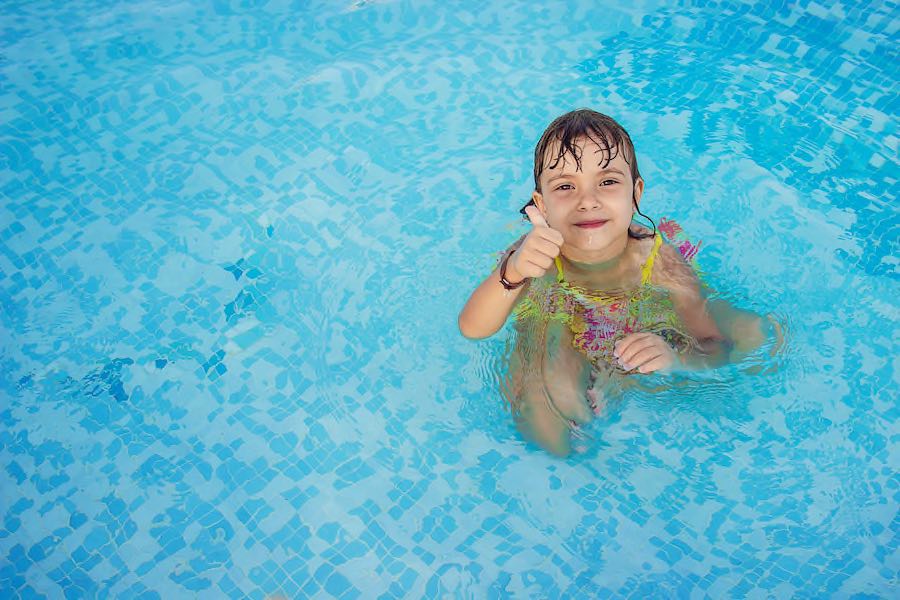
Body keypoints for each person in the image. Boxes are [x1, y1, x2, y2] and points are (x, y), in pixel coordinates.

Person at [458, 108, 771, 457]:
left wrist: (675, 360)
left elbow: (709, 341)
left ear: (635, 193)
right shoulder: (534, 257)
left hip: (635, 328)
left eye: (607, 182)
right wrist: (513, 272)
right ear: (541, 206)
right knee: (545, 420)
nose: (587, 201)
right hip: (562, 330)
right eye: (565, 186)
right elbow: (473, 328)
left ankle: (617, 380)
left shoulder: (658, 258)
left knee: (758, 334)